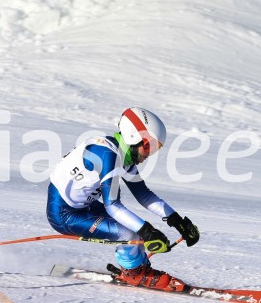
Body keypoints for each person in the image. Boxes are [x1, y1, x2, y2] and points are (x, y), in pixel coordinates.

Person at [47, 107, 199, 289]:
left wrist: (177, 221)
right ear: (133, 137)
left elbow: (143, 194)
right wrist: (147, 231)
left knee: (136, 229)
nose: (148, 154)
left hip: (84, 207)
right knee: (129, 234)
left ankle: (138, 267)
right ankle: (134, 273)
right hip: (63, 214)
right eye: (148, 146)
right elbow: (112, 205)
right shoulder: (108, 155)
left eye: (155, 148)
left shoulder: (122, 154)